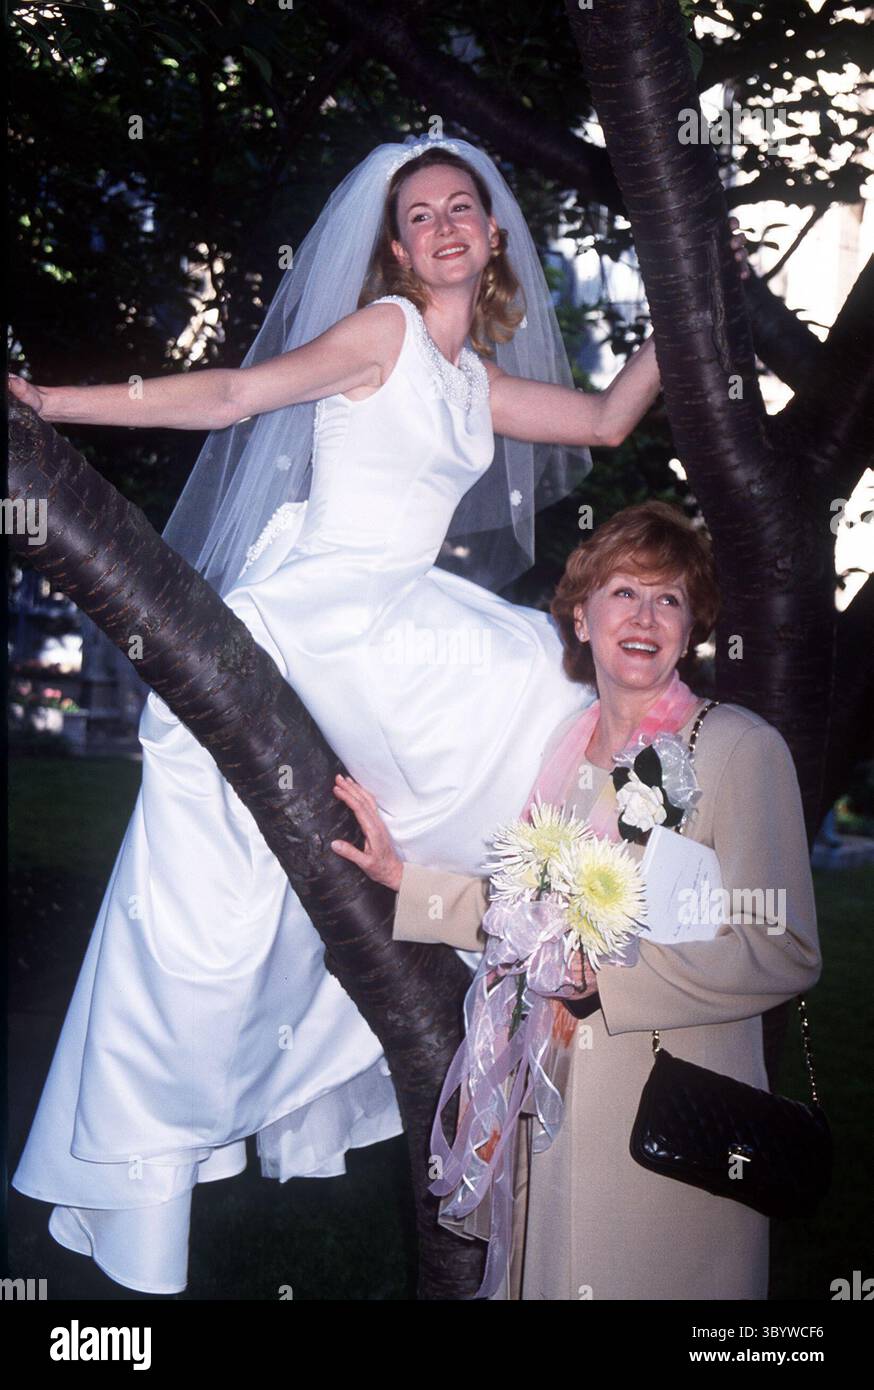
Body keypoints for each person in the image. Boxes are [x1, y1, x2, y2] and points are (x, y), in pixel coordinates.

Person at [9, 135, 748, 1296]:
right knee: (537, 687)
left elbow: (609, 419)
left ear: (495, 237)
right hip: (334, 614)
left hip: (400, 616)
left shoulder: (470, 376)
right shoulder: (389, 334)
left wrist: (694, 302)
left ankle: (593, 921)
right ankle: (590, 910)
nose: (445, 226)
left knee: (551, 696)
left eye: (465, 208)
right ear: (397, 246)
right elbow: (239, 395)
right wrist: (50, 400)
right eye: (420, 216)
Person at [331, 500, 823, 1300]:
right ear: (582, 618)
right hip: (549, 1097)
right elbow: (528, 912)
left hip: (666, 1119)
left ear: (692, 624)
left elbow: (785, 948)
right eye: (624, 591)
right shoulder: (569, 752)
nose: (646, 616)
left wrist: (612, 980)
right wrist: (402, 882)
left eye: (670, 599)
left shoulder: (737, 747)